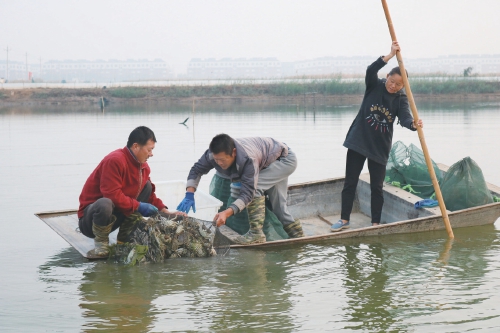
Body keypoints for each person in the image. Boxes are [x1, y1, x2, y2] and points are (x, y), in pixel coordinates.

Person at [331, 41, 424, 232]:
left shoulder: (401, 99)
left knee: (377, 188)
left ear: (403, 85)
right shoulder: (374, 85)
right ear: (387, 76)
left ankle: (375, 223)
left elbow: (406, 119)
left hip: (379, 148)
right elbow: (370, 69)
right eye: (392, 81)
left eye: (399, 84)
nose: (393, 86)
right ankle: (344, 219)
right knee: (350, 182)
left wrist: (414, 125)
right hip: (358, 141)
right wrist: (390, 55)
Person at [177, 134, 304, 244]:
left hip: (284, 160)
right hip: (268, 159)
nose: (219, 163)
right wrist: (189, 194)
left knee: (257, 188)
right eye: (216, 160)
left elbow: (248, 193)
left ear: (233, 153)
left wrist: (226, 213)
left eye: (222, 160)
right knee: (279, 207)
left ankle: (256, 234)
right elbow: (196, 170)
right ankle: (299, 236)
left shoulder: (248, 159)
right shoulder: (210, 155)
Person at [78, 126, 184, 257]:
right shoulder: (115, 160)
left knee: (148, 187)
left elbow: (150, 196)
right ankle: (101, 243)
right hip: (92, 222)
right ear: (136, 146)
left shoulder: (143, 167)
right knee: (105, 203)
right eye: (149, 150)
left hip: (115, 218)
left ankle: (123, 238)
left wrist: (165, 211)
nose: (151, 154)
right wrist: (139, 206)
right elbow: (111, 195)